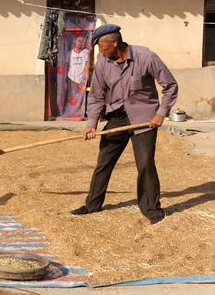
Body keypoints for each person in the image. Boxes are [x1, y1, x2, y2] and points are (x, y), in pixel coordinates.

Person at [71, 24, 178, 224]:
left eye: (101, 46)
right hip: (117, 117)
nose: (99, 51)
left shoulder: (145, 57)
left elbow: (170, 85)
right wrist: (92, 124)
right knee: (104, 161)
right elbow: (96, 96)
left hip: (144, 118)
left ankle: (151, 209)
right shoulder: (102, 63)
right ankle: (93, 204)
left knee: (145, 163)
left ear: (114, 42)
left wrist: (161, 113)